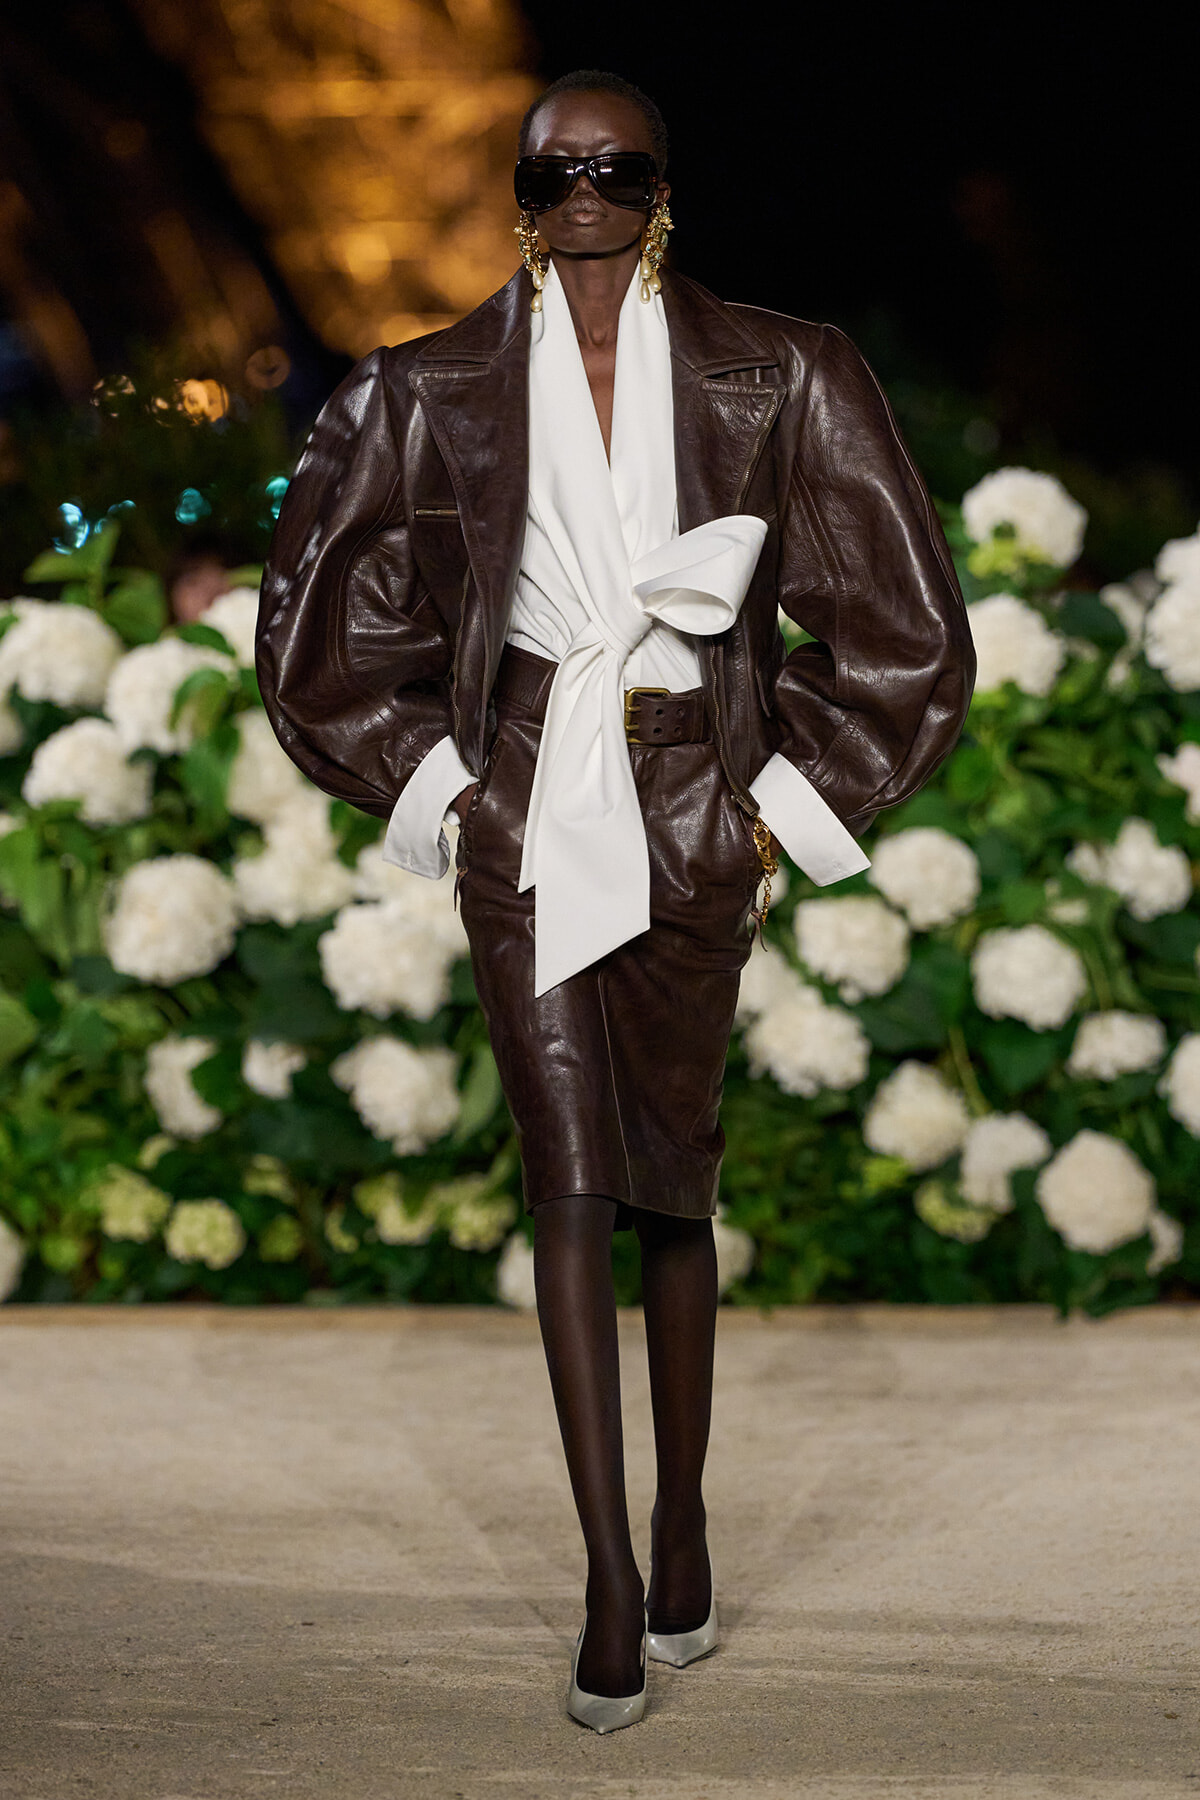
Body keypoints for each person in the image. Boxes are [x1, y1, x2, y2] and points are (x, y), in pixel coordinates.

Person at [257, 70, 975, 1734]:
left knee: (670, 1178)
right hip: (526, 794)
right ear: (519, 189)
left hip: (690, 796)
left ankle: (683, 1517)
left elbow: (906, 625)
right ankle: (600, 1571)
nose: (588, 188)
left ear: (666, 187)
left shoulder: (786, 369)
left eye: (620, 163)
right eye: (558, 166)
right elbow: (317, 632)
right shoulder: (421, 389)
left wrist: (777, 810)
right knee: (568, 1174)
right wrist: (447, 792)